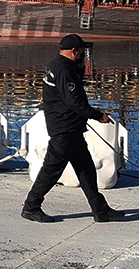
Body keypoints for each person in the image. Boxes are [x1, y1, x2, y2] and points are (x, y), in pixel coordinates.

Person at [22, 34, 125, 223]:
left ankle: (100, 210)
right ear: (74, 51)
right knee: (51, 171)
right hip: (64, 129)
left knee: (86, 169)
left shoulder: (56, 65)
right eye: (82, 51)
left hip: (70, 128)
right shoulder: (64, 71)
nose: (84, 55)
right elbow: (75, 102)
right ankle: (31, 207)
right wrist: (98, 115)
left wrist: (80, 69)